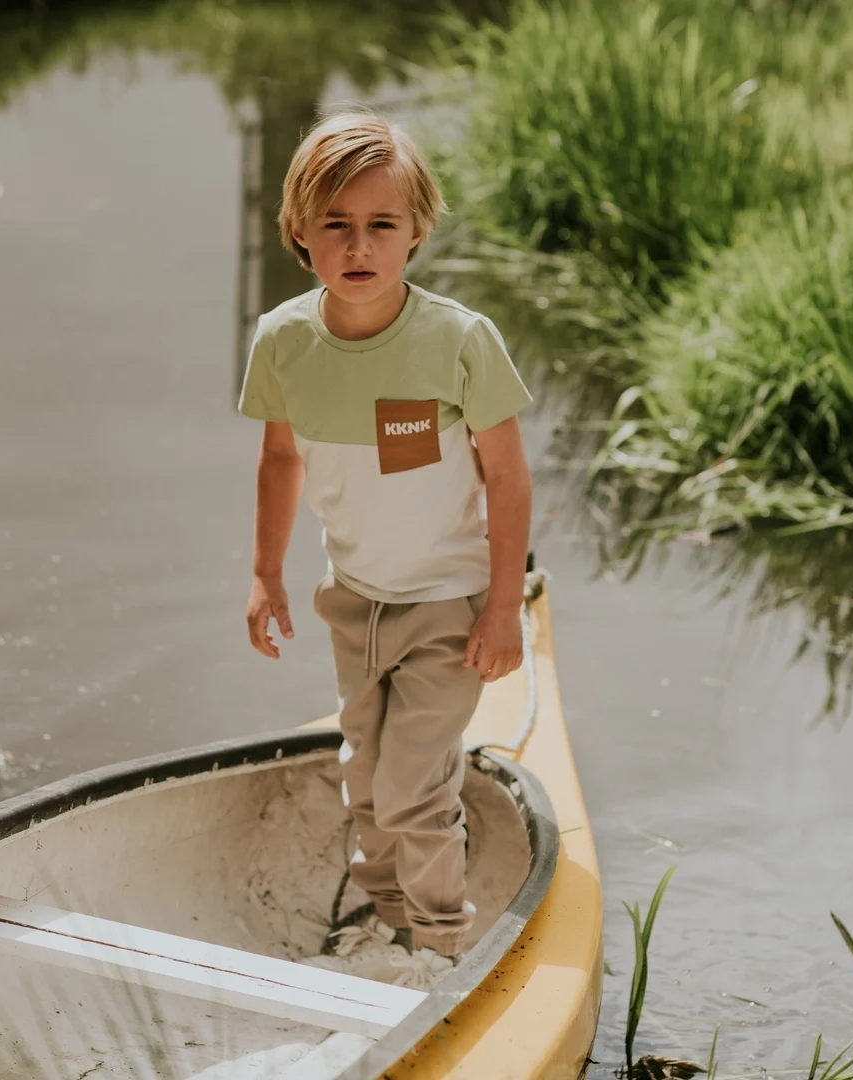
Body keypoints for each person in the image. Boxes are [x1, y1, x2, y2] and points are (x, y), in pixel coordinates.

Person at [238, 109, 533, 990]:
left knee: (412, 787)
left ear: (416, 231)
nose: (359, 245)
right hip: (354, 602)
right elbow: (280, 459)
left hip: (446, 603)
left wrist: (504, 608)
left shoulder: (459, 342)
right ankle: (389, 923)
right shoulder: (283, 342)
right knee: (365, 782)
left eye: (381, 224)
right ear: (299, 231)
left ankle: (440, 945)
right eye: (336, 223)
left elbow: (507, 477)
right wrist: (265, 575)